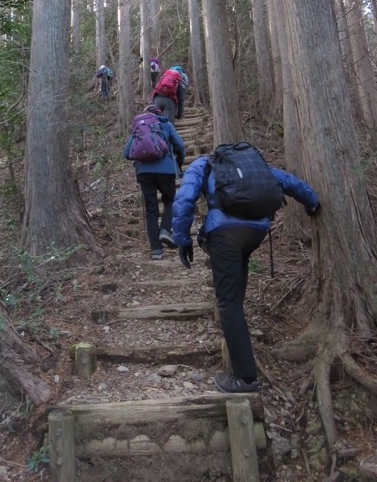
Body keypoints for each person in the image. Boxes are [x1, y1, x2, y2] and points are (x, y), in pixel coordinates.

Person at [172, 146, 320, 393]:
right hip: (255, 233)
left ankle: (245, 379)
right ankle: (238, 347)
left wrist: (183, 240)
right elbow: (289, 182)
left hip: (224, 234)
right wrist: (312, 202)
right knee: (234, 297)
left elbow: (185, 198)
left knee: (228, 303)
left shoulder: (204, 164)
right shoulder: (255, 168)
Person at [124, 105, 186, 260]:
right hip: (165, 170)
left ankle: (156, 250)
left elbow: (127, 152)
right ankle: (165, 229)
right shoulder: (165, 124)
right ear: (159, 114)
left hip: (144, 172)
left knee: (151, 210)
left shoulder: (138, 127)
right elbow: (180, 145)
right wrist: (180, 162)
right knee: (171, 200)